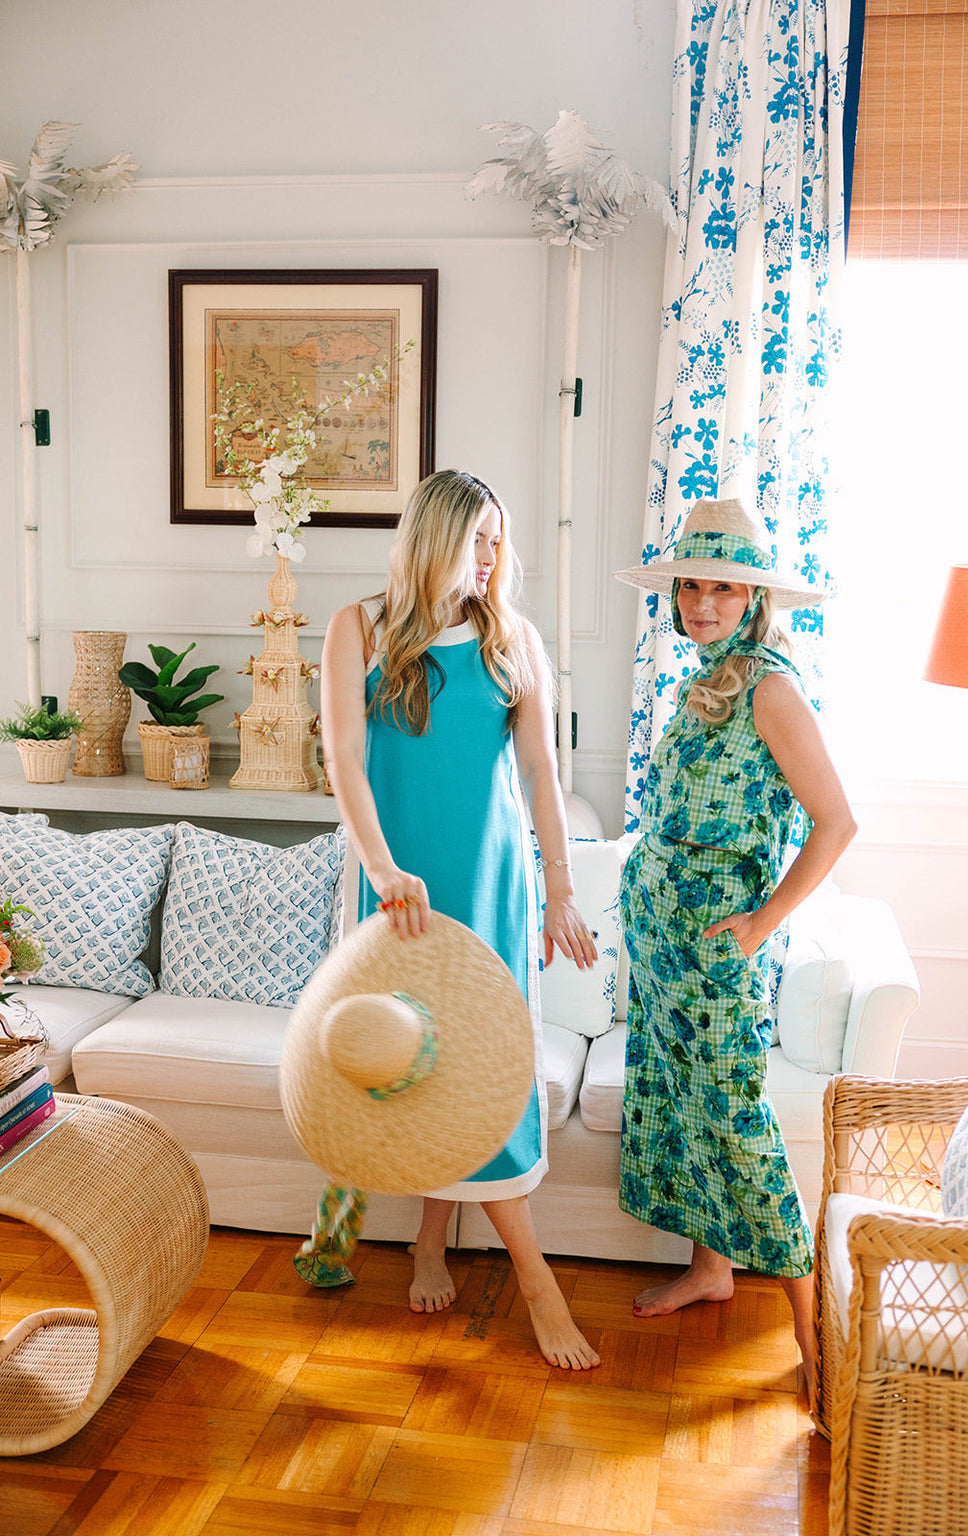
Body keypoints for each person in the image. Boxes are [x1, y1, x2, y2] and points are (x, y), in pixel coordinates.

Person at [313, 467, 600, 1371]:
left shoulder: (513, 638)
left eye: (496, 542)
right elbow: (344, 762)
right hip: (397, 889)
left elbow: (542, 773)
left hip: (491, 885)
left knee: (476, 1066)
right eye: (476, 539)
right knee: (398, 1061)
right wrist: (381, 867)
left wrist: (559, 888)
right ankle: (388, 1233)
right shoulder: (358, 629)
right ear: (433, 536)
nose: (488, 558)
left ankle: (471, 1255)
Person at [614, 497, 856, 1396]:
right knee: (683, 1108)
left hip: (716, 948)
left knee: (736, 1121)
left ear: (753, 598)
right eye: (691, 587)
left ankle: (812, 1329)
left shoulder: (769, 690)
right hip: (661, 938)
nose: (702, 603)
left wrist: (762, 922)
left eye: (722, 589)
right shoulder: (706, 678)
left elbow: (836, 822)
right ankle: (711, 1269)